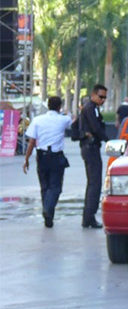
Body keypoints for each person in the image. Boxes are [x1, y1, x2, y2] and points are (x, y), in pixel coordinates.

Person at [22, 96, 72, 228]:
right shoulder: (63, 119)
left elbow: (32, 141)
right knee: (55, 187)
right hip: (56, 156)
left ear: (48, 105)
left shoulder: (38, 120)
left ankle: (48, 216)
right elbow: (72, 121)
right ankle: (48, 210)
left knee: (45, 187)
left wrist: (26, 159)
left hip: (41, 156)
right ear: (59, 107)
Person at [79, 83, 108, 228]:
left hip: (92, 147)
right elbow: (96, 128)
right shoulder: (90, 108)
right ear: (93, 95)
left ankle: (88, 216)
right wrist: (108, 139)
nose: (103, 100)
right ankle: (89, 217)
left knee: (94, 183)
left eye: (105, 98)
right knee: (94, 184)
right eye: (100, 97)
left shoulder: (93, 108)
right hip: (90, 147)